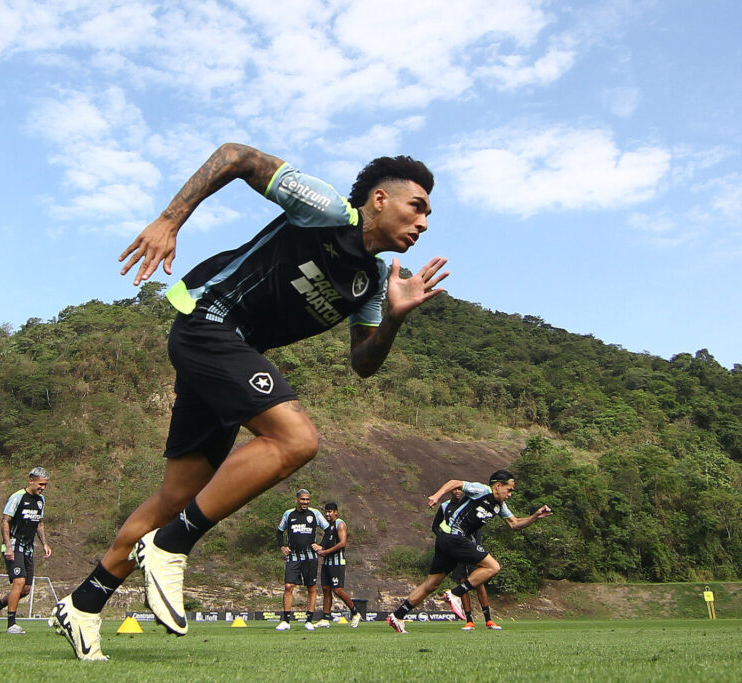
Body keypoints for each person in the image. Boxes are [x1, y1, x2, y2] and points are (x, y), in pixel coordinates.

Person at [50, 142, 447, 661]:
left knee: (176, 497)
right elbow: (236, 156)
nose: (423, 223)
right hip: (208, 320)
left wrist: (392, 318)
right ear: (379, 199)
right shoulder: (327, 209)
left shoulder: (372, 282)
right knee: (296, 439)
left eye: (427, 215)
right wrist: (169, 221)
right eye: (417, 207)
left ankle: (83, 604)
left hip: (229, 355)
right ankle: (170, 545)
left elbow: (363, 362)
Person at [386, 470, 552, 634]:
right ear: (498, 485)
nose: (510, 494)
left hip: (447, 540)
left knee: (432, 584)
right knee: (493, 567)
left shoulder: (500, 505)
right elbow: (454, 483)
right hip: (454, 536)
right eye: (509, 490)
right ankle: (455, 594)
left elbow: (514, 524)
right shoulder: (482, 490)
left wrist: (535, 516)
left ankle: (397, 616)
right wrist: (437, 496)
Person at [0, 467, 51, 634]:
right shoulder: (17, 497)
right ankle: (11, 625)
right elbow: (5, 521)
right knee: (18, 582)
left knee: (25, 589)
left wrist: (45, 544)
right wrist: (8, 547)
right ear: (31, 481)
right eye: (40, 484)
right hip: (14, 546)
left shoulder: (41, 500)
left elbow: (39, 523)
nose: (43, 488)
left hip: (28, 548)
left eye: (45, 485)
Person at [437, 488, 500, 631]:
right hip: (456, 548)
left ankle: (488, 620)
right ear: (451, 492)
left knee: (479, 582)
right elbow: (436, 526)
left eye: (460, 489)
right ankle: (469, 620)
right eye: (455, 490)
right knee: (462, 581)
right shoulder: (445, 506)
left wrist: (477, 546)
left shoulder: (470, 504)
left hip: (471, 549)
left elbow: (477, 527)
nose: (457, 492)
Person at [274, 489, 329, 631]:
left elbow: (329, 530)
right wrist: (282, 547)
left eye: (307, 499)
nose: (305, 502)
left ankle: (309, 620)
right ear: (297, 499)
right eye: (303, 499)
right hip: (293, 556)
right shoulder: (288, 514)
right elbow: (279, 532)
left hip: (310, 557)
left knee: (311, 588)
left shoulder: (315, 513)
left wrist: (321, 545)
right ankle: (286, 621)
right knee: (288, 586)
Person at [316, 501, 362, 628]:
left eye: (330, 512)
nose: (327, 514)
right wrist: (319, 548)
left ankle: (355, 613)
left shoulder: (340, 524)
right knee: (326, 589)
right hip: (326, 562)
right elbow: (326, 544)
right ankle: (325, 619)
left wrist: (326, 552)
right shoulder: (328, 527)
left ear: (335, 512)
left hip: (337, 562)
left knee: (337, 589)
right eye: (326, 512)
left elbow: (342, 543)